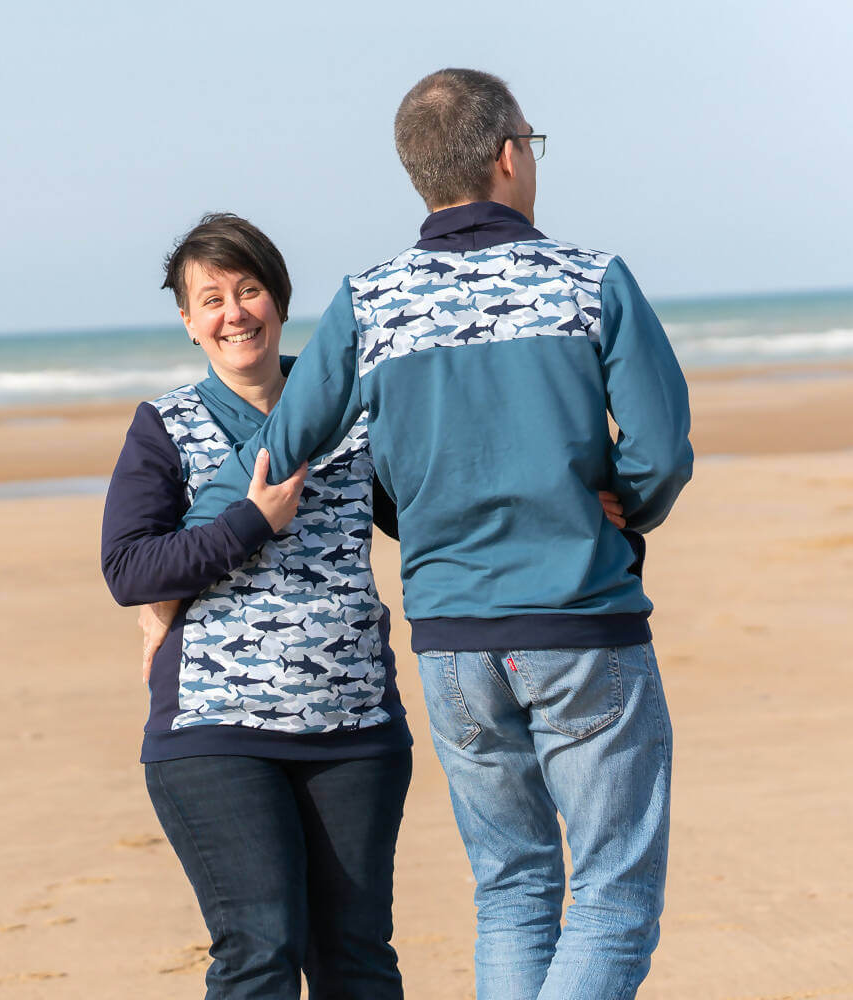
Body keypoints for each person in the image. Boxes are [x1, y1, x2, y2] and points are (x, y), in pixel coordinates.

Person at [178, 69, 693, 999]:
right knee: (613, 897)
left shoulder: (369, 302)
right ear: (507, 156)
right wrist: (627, 501)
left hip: (453, 646)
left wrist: (173, 561)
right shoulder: (590, 279)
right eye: (530, 143)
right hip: (581, 625)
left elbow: (279, 448)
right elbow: (661, 452)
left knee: (512, 893)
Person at [100, 213, 412, 1000]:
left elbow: (431, 513)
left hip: (355, 726)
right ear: (187, 322)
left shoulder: (353, 413)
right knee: (261, 950)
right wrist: (249, 521)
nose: (234, 312)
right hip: (213, 730)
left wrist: (577, 494)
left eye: (249, 290)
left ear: (278, 298)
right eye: (211, 299)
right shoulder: (164, 427)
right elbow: (130, 568)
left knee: (358, 961)